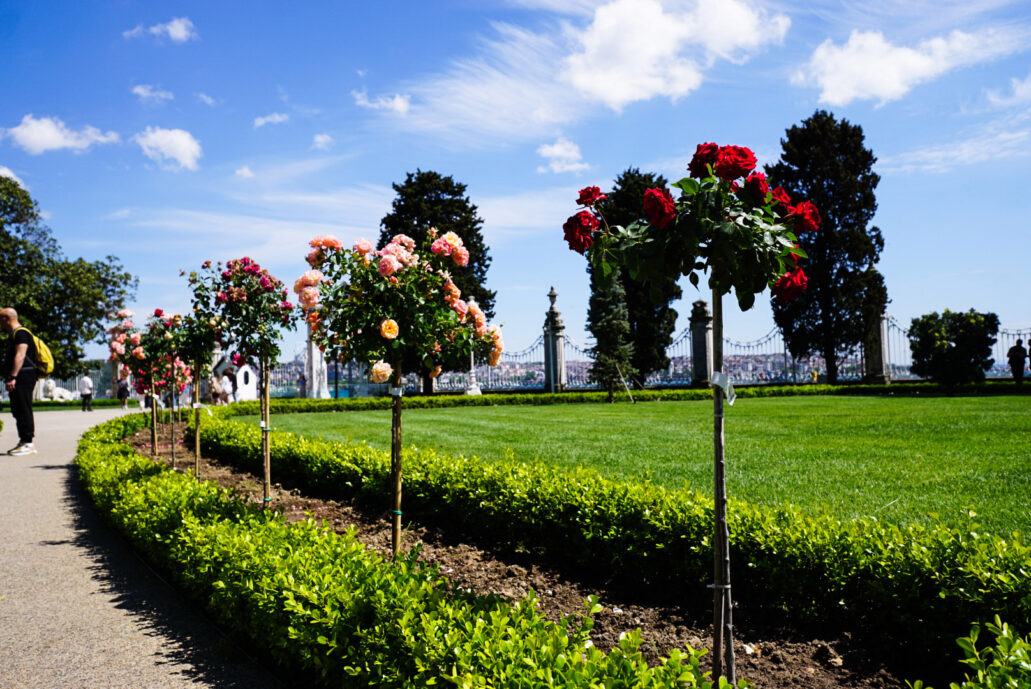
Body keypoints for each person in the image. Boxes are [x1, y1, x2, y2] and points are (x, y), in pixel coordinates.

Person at [2, 308, 39, 455]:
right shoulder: (14, 334)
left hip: (23, 377)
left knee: (23, 408)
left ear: (7, 319)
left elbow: (20, 355)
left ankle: (28, 443)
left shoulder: (21, 333)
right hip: (19, 377)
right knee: (18, 409)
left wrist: (13, 376)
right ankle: (23, 440)